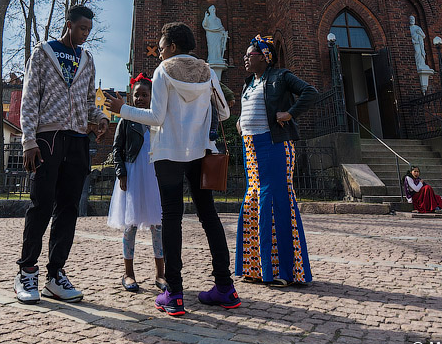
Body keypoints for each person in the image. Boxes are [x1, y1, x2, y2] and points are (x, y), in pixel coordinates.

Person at [104, 22, 237, 318]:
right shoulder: (206, 70)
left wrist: (122, 109)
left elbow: (156, 116)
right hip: (202, 152)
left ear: (173, 47)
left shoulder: (163, 70)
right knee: (209, 217)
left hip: (170, 154)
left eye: (163, 46)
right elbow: (225, 112)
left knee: (172, 219)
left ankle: (174, 294)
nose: (160, 51)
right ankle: (225, 287)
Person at [14, 5, 110, 305]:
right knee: (41, 205)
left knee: (69, 208)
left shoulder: (87, 58)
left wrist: (99, 117)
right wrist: (28, 139)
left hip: (78, 140)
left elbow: (87, 99)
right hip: (48, 138)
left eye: (89, 31)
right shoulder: (44, 52)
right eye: (82, 29)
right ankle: (27, 272)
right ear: (68, 25)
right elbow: (30, 96)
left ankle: (55, 275)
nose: (85, 35)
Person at [236, 35, 318, 287]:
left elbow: (310, 92)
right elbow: (250, 108)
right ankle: (257, 268)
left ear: (264, 56)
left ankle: (285, 271)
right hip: (250, 148)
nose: (245, 59)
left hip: (274, 146)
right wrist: (240, 121)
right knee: (254, 200)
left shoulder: (280, 76)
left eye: (250, 54)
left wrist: (290, 113)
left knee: (274, 200)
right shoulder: (249, 82)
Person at [108, 74, 165, 292]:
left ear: (152, 97)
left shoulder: (157, 118)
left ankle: (160, 273)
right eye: (136, 95)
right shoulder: (126, 120)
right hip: (132, 173)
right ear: (131, 98)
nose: (140, 98)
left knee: (157, 225)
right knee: (130, 225)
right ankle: (128, 273)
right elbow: (117, 149)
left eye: (144, 94)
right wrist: (121, 172)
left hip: (154, 176)